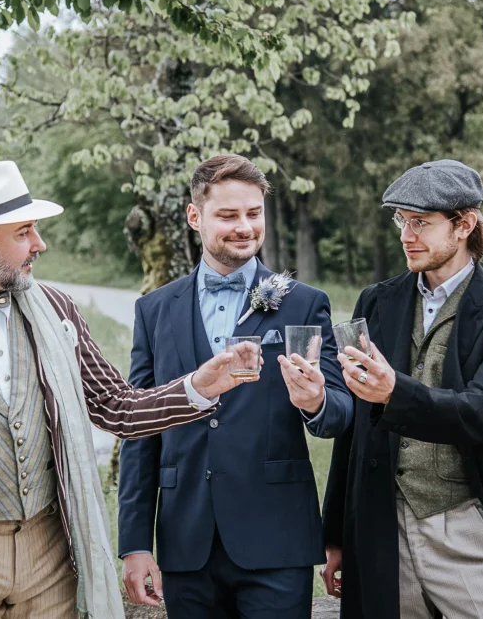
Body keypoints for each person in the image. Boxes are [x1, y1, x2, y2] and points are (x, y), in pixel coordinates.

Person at [0, 160, 252, 619]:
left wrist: (197, 386)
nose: (41, 244)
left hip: (52, 552)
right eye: (24, 233)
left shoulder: (57, 310)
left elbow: (117, 407)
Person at [117, 154, 353, 618]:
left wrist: (317, 401)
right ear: (195, 216)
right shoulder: (155, 310)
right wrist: (134, 543)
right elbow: (140, 426)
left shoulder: (305, 304)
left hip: (276, 539)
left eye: (253, 213)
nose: (244, 227)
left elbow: (342, 414)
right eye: (227, 215)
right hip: (186, 541)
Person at [322, 159, 483, 619]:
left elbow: (481, 414)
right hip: (381, 522)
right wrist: (335, 535)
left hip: (462, 522)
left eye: (421, 223)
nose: (407, 235)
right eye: (402, 220)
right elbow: (356, 430)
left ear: (464, 225)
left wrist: (392, 393)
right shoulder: (376, 301)